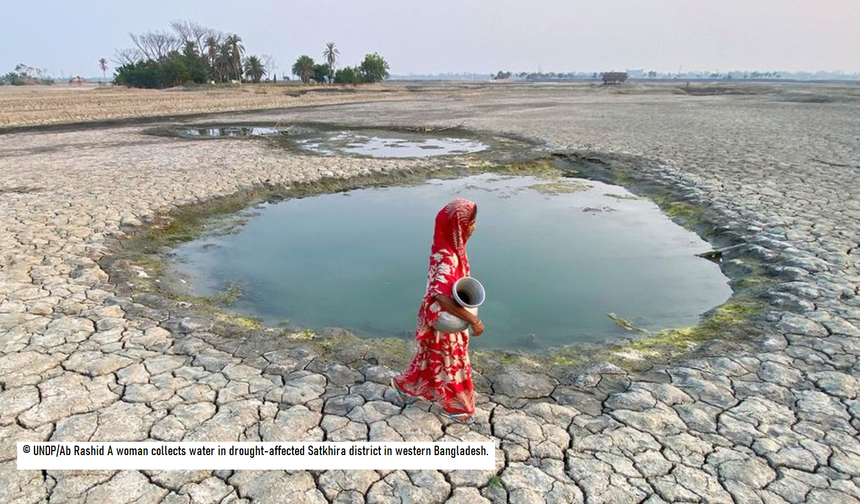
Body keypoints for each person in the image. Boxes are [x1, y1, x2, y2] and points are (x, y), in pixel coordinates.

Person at [390, 198, 484, 424]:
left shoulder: (451, 248)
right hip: (444, 321)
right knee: (452, 363)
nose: (474, 227)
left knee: (429, 357)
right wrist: (473, 320)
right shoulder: (447, 258)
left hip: (446, 319)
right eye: (470, 223)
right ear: (458, 225)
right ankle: (458, 407)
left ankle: (406, 385)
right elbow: (440, 298)